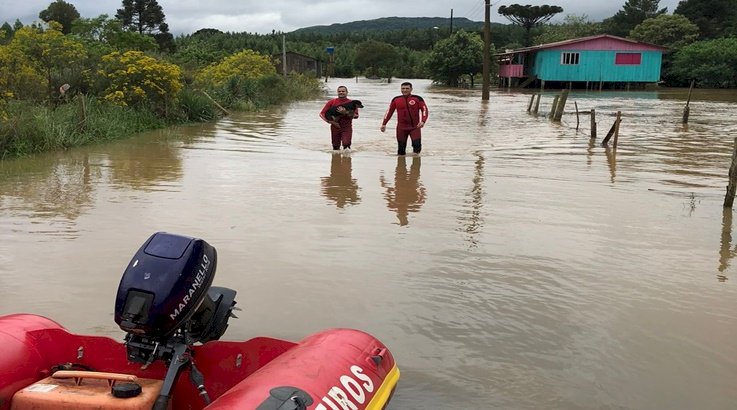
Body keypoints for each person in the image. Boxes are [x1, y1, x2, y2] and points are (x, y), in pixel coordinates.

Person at [380, 82, 429, 156]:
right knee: (401, 151)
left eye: (407, 88)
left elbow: (424, 110)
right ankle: (401, 166)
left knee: (417, 147)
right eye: (403, 88)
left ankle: (415, 166)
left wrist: (423, 121)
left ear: (411, 89)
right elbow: (389, 112)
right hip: (401, 128)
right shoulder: (396, 99)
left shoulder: (417, 99)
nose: (405, 90)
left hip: (415, 127)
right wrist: (384, 124)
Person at [319, 85, 359, 152]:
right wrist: (330, 122)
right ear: (337, 92)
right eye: (339, 91)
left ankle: (346, 161)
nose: (341, 92)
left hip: (346, 127)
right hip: (335, 127)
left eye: (343, 91)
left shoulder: (352, 103)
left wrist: (345, 112)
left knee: (346, 145)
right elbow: (322, 114)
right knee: (335, 147)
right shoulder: (332, 102)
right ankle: (336, 161)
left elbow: (356, 116)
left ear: (347, 92)